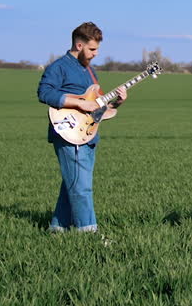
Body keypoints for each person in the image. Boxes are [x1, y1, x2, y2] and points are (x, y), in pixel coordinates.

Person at [36, 22, 127, 234]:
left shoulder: (90, 71)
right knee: (81, 187)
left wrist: (117, 102)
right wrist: (78, 103)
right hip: (68, 134)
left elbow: (97, 105)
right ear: (79, 45)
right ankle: (88, 233)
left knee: (73, 184)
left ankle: (57, 229)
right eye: (92, 49)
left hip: (88, 135)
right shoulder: (58, 67)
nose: (95, 54)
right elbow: (44, 93)